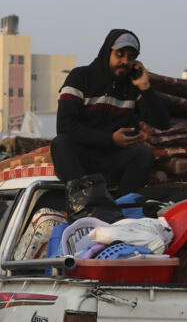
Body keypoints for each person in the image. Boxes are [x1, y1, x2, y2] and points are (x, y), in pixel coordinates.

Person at [51, 29, 170, 197]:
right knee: (61, 143)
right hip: (82, 157)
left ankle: (123, 209)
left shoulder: (132, 87)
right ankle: (90, 204)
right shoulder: (80, 77)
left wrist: (145, 87)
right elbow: (65, 126)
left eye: (130, 57)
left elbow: (162, 123)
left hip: (113, 158)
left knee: (143, 154)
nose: (124, 61)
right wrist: (111, 139)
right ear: (107, 52)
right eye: (119, 54)